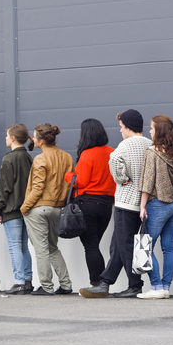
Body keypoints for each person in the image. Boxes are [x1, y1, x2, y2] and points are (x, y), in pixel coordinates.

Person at [82, 109, 151, 298]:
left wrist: (122, 178)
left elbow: (114, 161)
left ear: (128, 127)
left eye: (121, 127)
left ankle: (135, 284)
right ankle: (105, 282)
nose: (120, 131)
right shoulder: (150, 144)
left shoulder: (124, 145)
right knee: (118, 244)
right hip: (144, 202)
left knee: (125, 243)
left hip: (126, 201)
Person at [21, 123, 73, 296]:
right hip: (58, 209)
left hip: (38, 209)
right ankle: (65, 284)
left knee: (41, 249)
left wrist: (24, 207)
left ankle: (46, 286)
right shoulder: (67, 157)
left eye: (34, 137)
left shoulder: (40, 159)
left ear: (41, 141)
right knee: (52, 248)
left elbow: (37, 188)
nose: (33, 139)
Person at [137, 116, 173, 300]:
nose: (149, 131)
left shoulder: (152, 152)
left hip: (158, 205)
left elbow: (147, 182)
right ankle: (166, 287)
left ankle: (156, 286)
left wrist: (142, 206)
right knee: (169, 248)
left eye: (151, 128)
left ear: (159, 131)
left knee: (145, 247)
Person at [68, 119, 114, 285]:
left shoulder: (87, 154)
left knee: (91, 246)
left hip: (88, 204)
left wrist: (68, 176)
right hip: (107, 204)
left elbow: (80, 182)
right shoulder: (112, 152)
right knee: (94, 244)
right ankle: (101, 282)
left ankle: (98, 283)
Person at [0, 124, 34, 294]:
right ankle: (27, 281)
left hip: (11, 210)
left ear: (13, 138)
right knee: (24, 246)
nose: (5, 138)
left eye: (6, 135)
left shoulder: (9, 159)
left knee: (14, 246)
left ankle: (18, 281)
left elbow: (5, 188)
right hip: (27, 209)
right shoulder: (28, 157)